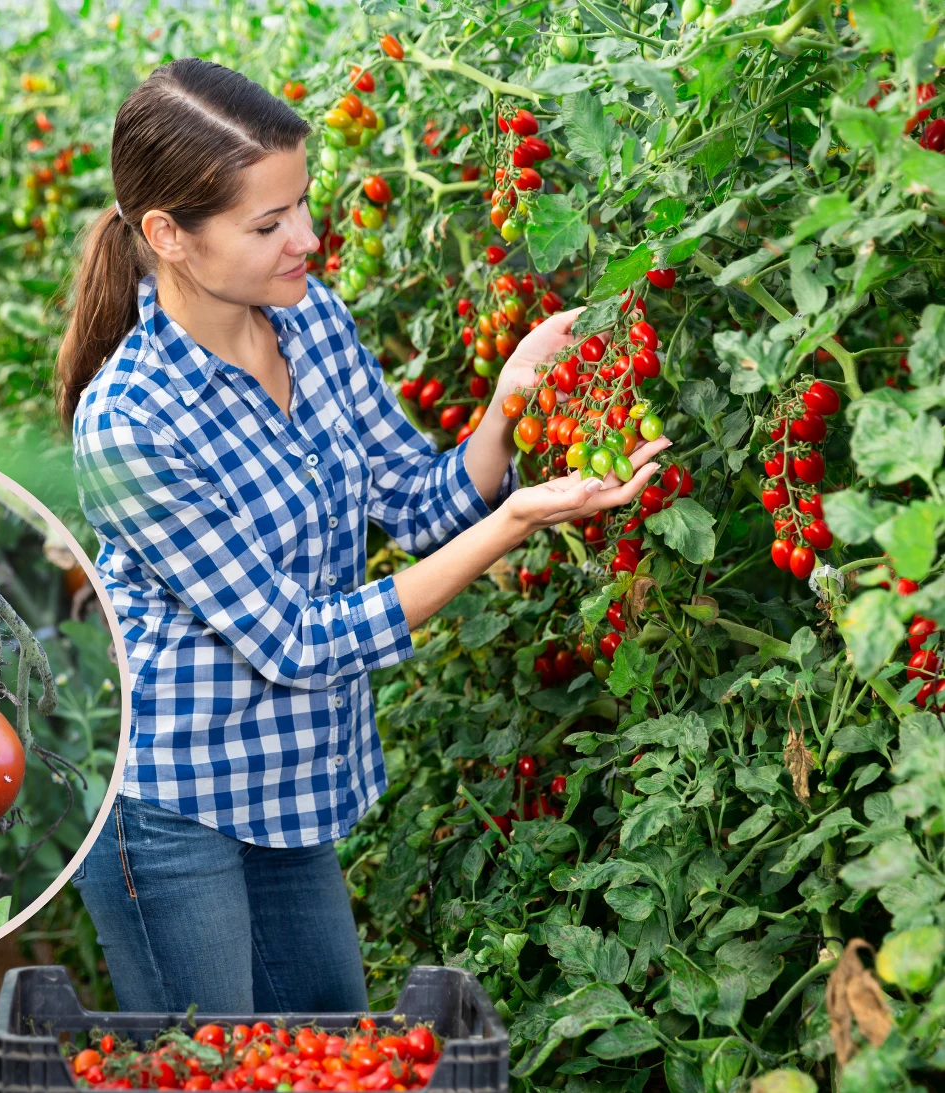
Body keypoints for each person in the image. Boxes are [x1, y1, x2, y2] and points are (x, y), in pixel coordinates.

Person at [57, 57, 669, 1015]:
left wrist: (508, 406)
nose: (307, 237)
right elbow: (294, 638)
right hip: (167, 804)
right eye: (268, 224)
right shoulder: (131, 422)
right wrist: (515, 522)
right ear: (167, 235)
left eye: (303, 203)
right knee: (208, 1070)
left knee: (331, 1038)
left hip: (287, 785)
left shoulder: (312, 322)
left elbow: (421, 502)